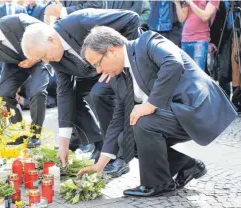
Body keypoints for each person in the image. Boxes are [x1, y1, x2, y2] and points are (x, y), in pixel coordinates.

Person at [78, 26, 238, 196]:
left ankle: (157, 184)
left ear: (111, 51)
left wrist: (151, 104)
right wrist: (100, 165)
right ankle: (187, 166)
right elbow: (118, 118)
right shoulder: (118, 77)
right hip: (173, 113)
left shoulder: (147, 42)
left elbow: (173, 63)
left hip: (198, 108)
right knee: (125, 138)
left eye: (97, 63)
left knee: (142, 122)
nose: (98, 70)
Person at [21, 9, 140, 177]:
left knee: (98, 94)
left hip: (116, 64)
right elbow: (64, 94)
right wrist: (63, 145)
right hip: (91, 71)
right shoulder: (55, 56)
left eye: (44, 56)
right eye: (42, 60)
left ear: (51, 40)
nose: (46, 62)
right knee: (73, 99)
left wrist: (123, 59)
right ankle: (101, 147)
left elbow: (131, 18)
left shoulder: (81, 22)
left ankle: (118, 157)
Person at [0, 14, 52, 148]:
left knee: (37, 91)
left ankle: (35, 135)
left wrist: (36, 56)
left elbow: (45, 32)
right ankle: (19, 132)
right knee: (3, 96)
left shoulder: (17, 21)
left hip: (39, 57)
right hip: (15, 64)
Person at [174, 0, 219, 70]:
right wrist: (177, 3)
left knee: (197, 73)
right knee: (186, 73)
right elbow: (182, 19)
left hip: (200, 40)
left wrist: (190, 3)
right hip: (185, 38)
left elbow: (205, 16)